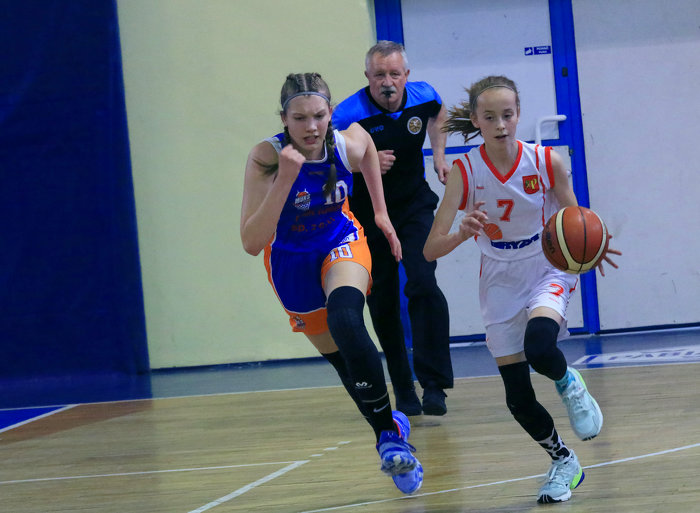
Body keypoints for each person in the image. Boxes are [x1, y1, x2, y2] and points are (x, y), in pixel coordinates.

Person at [423, 75, 621, 504]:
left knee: (540, 346)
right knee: (517, 397)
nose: (500, 124)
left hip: (546, 263)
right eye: (490, 117)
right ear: (476, 119)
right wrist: (462, 232)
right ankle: (563, 461)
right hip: (498, 276)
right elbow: (430, 249)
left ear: (518, 115)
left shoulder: (547, 161)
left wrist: (593, 247)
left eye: (508, 115)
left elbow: (575, 218)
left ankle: (570, 384)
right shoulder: (465, 171)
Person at [240, 72, 424, 494]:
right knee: (343, 362)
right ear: (283, 119)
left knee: (346, 319)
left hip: (340, 240)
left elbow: (369, 149)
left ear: (330, 113)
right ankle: (389, 428)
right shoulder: (266, 158)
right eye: (299, 118)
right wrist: (284, 180)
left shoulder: (345, 142)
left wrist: (380, 213)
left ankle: (390, 441)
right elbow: (251, 242)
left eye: (319, 116)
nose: (311, 127)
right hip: (290, 260)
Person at [332, 41, 453, 416]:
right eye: (379, 75)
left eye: (394, 74)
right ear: (367, 76)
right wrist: (361, 163)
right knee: (383, 298)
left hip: (414, 205)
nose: (387, 82)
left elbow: (440, 113)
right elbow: (325, 157)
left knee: (423, 282)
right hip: (368, 214)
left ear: (406, 76)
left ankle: (434, 385)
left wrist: (439, 156)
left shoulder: (423, 96)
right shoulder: (347, 114)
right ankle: (403, 387)